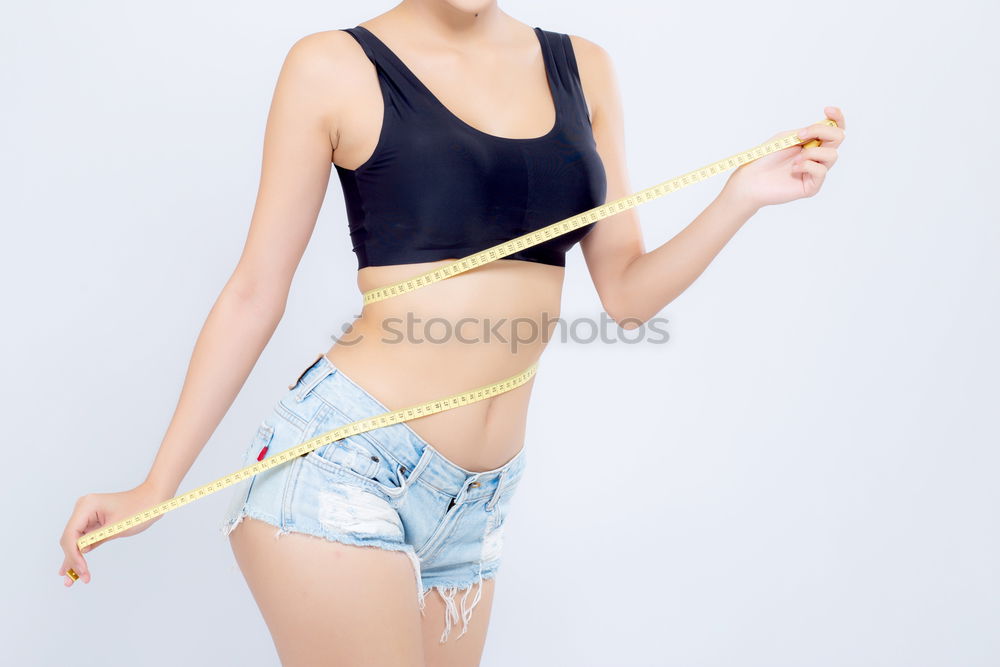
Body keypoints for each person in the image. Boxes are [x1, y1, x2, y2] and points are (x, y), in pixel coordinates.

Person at [58, 1, 846, 665]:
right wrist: (157, 486)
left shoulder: (584, 67)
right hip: (348, 470)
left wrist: (744, 196)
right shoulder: (333, 66)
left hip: (479, 503)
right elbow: (255, 291)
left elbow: (627, 292)